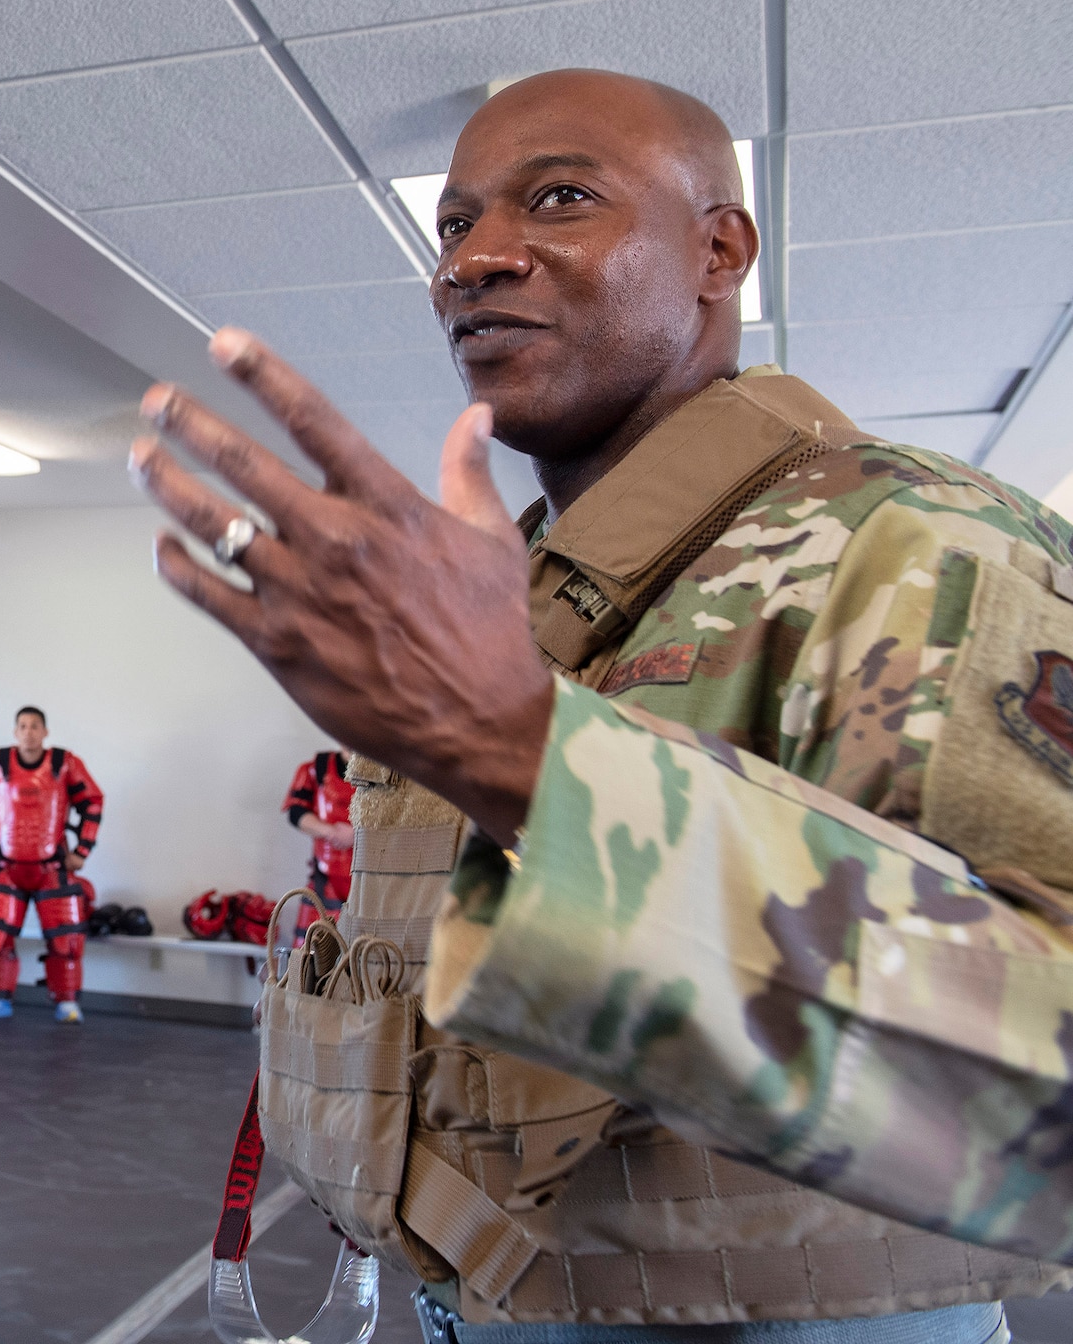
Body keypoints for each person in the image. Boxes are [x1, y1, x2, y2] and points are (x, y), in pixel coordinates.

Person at [131, 69, 1073, 1326]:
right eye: (453, 225)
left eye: (558, 198)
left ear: (718, 251)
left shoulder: (913, 546)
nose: (473, 261)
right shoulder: (498, 588)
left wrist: (523, 750)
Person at [0, 707, 102, 1023]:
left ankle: (67, 1002)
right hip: (7, 867)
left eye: (35, 726)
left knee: (67, 941)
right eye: (23, 726)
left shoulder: (65, 765)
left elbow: (92, 800)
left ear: (45, 732)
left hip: (52, 868)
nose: (29, 732)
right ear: (15, 732)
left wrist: (82, 850)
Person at [281, 749, 355, 930]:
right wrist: (331, 832)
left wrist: (358, 835)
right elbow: (296, 811)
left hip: (370, 880)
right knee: (310, 948)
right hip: (325, 879)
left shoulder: (389, 771)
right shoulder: (315, 769)